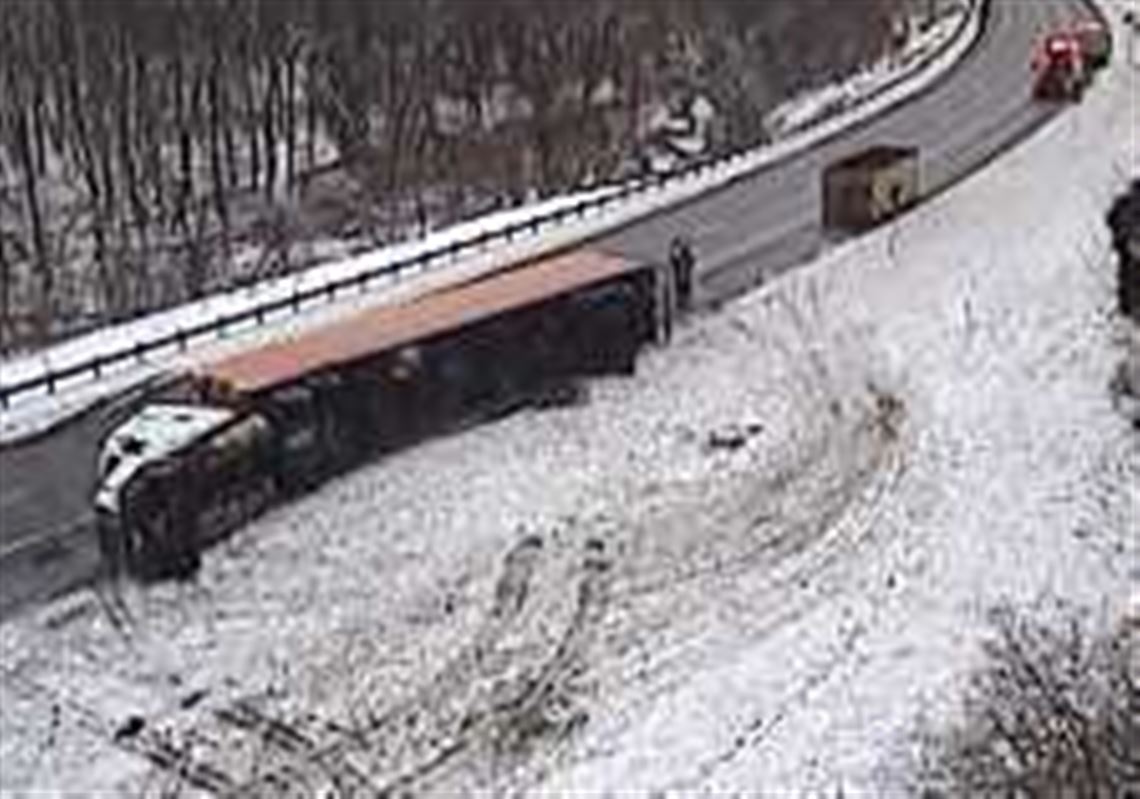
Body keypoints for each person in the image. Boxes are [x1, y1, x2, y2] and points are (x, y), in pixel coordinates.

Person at [669, 235, 696, 313]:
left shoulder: (685, 252)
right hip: (681, 272)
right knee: (681, 287)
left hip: (684, 273)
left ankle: (683, 303)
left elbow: (691, 260)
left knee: (684, 287)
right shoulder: (680, 253)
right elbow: (674, 259)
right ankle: (681, 303)